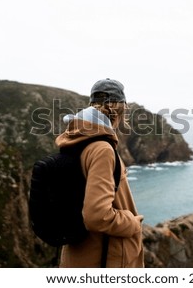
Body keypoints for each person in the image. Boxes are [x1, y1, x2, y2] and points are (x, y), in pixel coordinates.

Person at [55, 78, 144, 268]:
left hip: (79, 253)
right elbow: (97, 216)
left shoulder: (76, 141)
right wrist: (132, 223)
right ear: (121, 109)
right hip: (104, 259)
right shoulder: (102, 149)